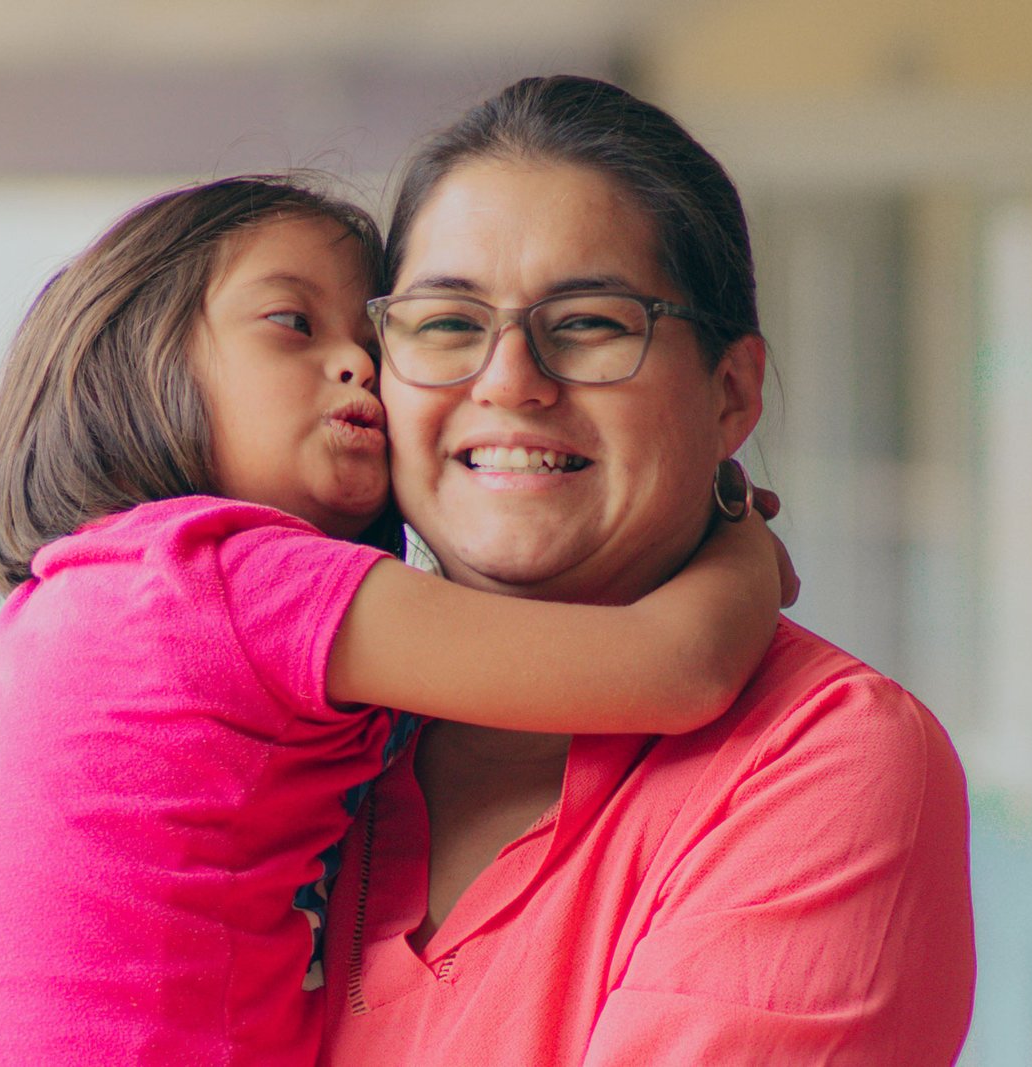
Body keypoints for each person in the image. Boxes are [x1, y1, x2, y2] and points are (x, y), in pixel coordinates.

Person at [0, 176, 793, 1065]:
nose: (359, 362)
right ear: (143, 363)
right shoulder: (236, 582)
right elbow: (678, 668)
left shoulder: (104, 592)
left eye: (374, 337)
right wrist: (737, 536)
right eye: (293, 322)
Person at [317, 76, 976, 1065]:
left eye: (589, 322)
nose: (506, 381)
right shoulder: (285, 722)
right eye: (447, 322)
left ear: (732, 391)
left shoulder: (821, 760)